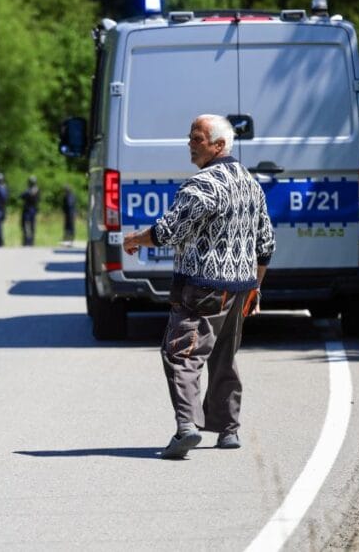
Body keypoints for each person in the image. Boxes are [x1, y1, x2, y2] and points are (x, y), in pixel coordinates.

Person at [123, 114, 275, 459]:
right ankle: (228, 430)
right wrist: (256, 287)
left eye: (197, 139)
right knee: (224, 356)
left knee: (181, 355)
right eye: (190, 138)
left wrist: (134, 239)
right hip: (241, 286)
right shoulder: (251, 183)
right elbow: (266, 244)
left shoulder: (202, 185)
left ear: (219, 145)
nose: (190, 144)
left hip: (203, 286)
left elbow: (168, 231)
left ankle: (187, 429)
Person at [19, 175, 40, 246]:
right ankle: (29, 241)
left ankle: (28, 241)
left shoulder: (33, 190)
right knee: (29, 226)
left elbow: (22, 195)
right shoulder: (34, 190)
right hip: (32, 210)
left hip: (29, 209)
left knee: (28, 226)